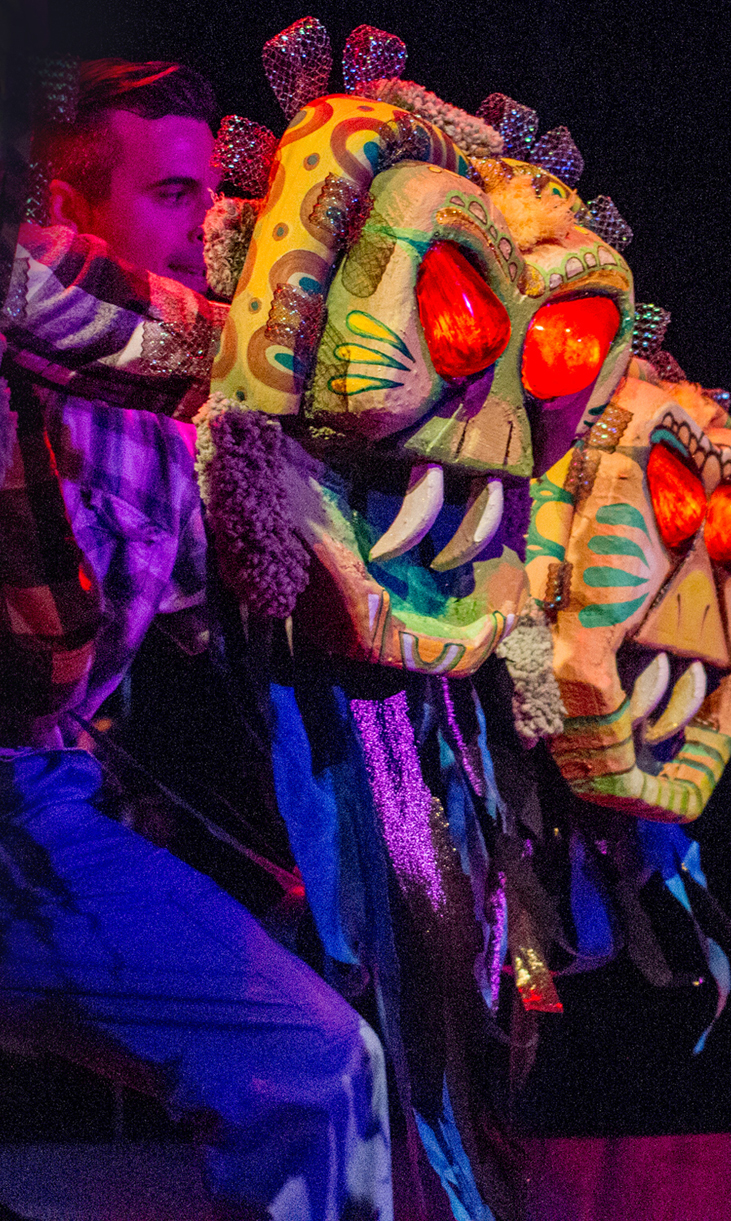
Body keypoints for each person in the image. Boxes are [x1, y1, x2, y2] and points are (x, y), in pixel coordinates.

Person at [1, 60, 392, 1221]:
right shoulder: (34, 284)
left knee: (318, 1065)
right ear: (64, 207)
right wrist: (349, 357)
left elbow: (209, 638)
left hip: (34, 812)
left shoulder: (172, 428)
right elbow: (166, 332)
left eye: (218, 200)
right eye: (175, 195)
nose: (212, 227)